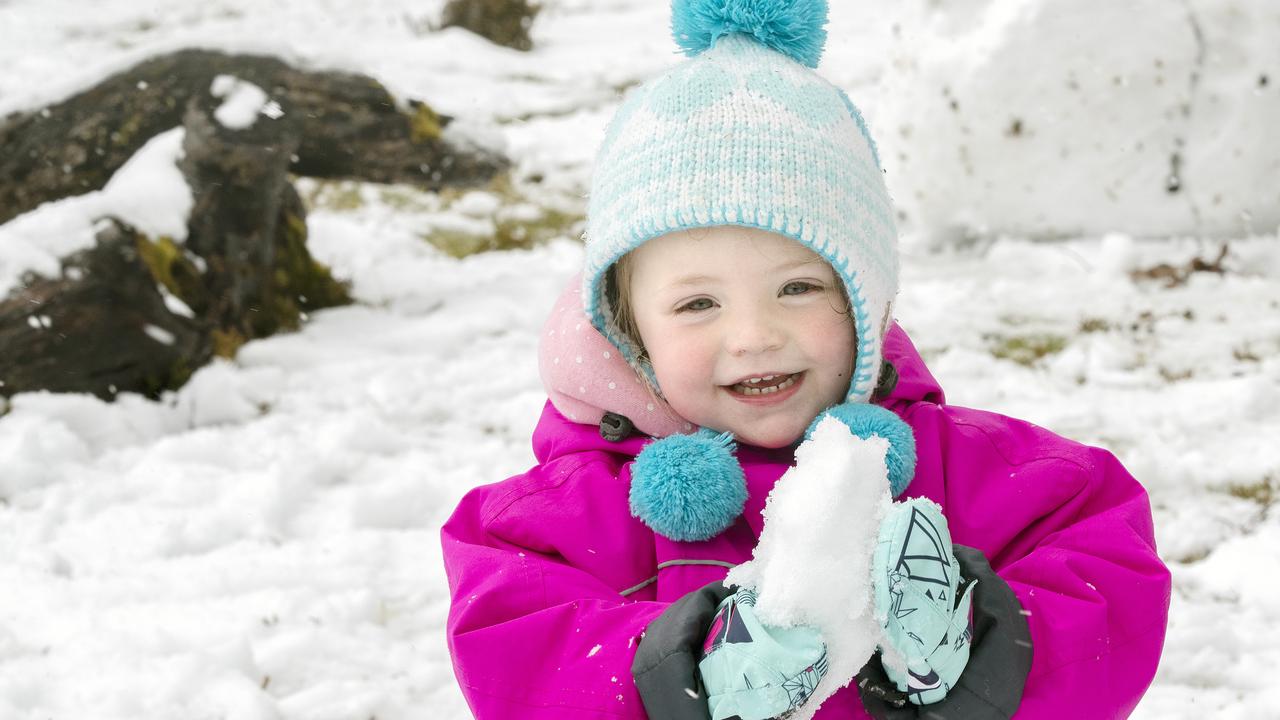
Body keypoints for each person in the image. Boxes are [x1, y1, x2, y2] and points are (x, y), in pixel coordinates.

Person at [441, 1, 1171, 717]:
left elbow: (1105, 557)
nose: (754, 336)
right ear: (632, 333)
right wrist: (671, 665)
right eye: (699, 304)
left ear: (867, 309)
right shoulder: (583, 511)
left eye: (797, 288)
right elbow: (515, 640)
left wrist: (1000, 638)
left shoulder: (950, 467)